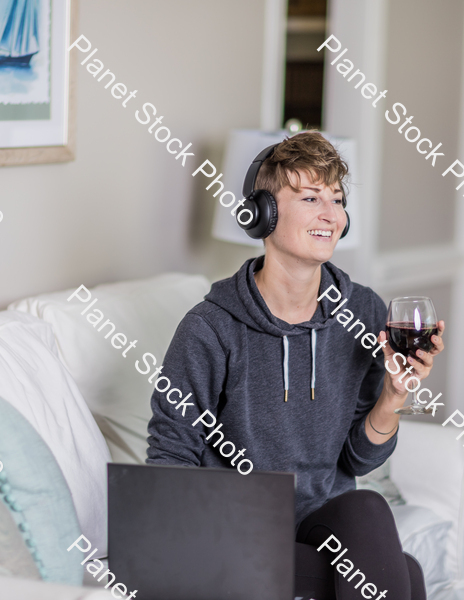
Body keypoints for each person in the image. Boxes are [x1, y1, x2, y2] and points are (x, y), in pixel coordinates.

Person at [146, 131, 445, 600]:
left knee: (366, 507)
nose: (330, 214)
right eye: (310, 198)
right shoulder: (211, 326)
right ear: (261, 213)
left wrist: (394, 395)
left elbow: (358, 459)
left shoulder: (363, 311)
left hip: (320, 520)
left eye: (337, 199)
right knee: (404, 573)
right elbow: (170, 456)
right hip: (234, 529)